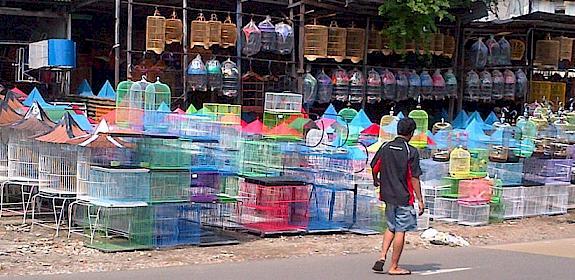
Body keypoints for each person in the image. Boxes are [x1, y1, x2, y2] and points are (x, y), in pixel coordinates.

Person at [370, 117, 424, 275]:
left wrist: (376, 181)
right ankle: (393, 267)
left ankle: (382, 256)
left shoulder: (386, 146)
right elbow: (414, 177)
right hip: (403, 196)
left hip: (387, 194)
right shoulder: (410, 151)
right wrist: (420, 199)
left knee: (390, 227)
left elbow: (374, 167)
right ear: (411, 133)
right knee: (400, 230)